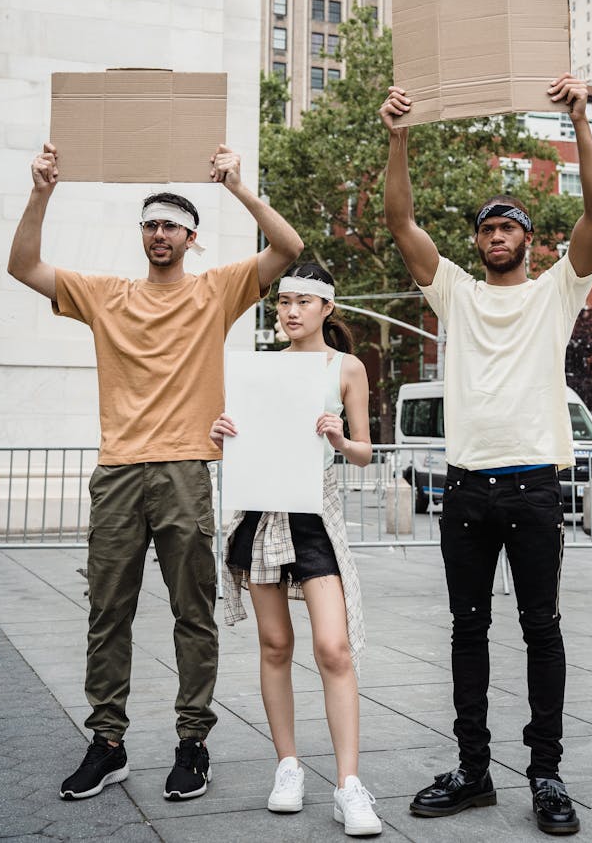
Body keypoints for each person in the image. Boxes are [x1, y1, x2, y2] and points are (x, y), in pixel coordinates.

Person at [7, 141, 303, 803]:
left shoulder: (214, 289)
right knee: (106, 611)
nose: (159, 232)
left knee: (190, 614)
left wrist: (238, 186)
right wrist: (41, 190)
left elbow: (288, 246)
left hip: (184, 471)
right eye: (150, 223)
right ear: (141, 233)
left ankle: (192, 741)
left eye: (171, 224)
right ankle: (107, 743)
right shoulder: (106, 294)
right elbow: (22, 264)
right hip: (117, 471)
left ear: (191, 237)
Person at [380, 74, 592, 836]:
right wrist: (398, 134)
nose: (498, 235)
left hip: (537, 489)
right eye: (488, 227)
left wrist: (579, 120)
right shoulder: (455, 291)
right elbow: (400, 216)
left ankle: (546, 773)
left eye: (510, 225)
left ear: (527, 240)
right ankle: (473, 769)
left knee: (541, 628)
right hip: (468, 491)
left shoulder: (556, 291)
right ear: (478, 243)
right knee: (467, 627)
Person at [211, 262, 382, 837]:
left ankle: (348, 785)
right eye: (283, 301)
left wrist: (338, 437)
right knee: (275, 643)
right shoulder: (258, 369)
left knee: (333, 647)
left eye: (304, 301)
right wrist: (223, 436)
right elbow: (239, 443)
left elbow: (364, 452)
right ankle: (288, 766)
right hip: (260, 510)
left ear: (327, 308)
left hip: (315, 513)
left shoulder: (347, 368)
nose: (290, 311)